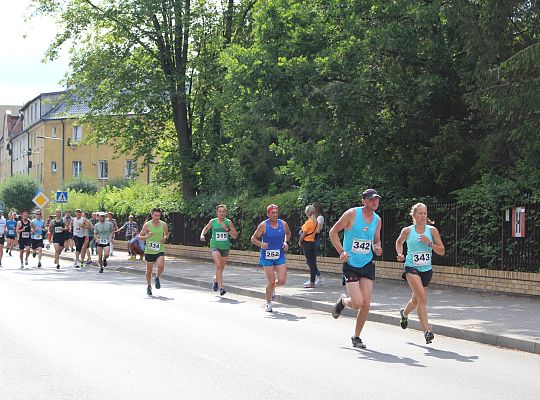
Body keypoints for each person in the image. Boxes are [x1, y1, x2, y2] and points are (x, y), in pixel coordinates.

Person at [329, 189, 383, 349]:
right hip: (351, 264)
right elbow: (333, 232)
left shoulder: (377, 219)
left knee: (366, 303)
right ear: (364, 201)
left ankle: (356, 336)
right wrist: (341, 251)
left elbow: (376, 240)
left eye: (377, 199)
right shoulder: (352, 214)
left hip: (366, 263)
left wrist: (377, 248)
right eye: (372, 199)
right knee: (357, 303)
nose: (375, 202)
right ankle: (343, 301)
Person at [395, 203, 445, 344]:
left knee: (416, 300)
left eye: (425, 213)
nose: (423, 216)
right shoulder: (407, 231)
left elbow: (442, 251)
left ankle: (404, 313)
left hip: (426, 269)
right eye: (420, 213)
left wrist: (429, 243)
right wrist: (400, 254)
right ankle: (427, 331)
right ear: (414, 215)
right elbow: (399, 242)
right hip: (411, 267)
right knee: (422, 298)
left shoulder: (432, 230)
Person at [251, 204, 292, 312]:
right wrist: (261, 244)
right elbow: (253, 238)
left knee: (282, 281)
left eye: (276, 212)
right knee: (272, 281)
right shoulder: (263, 225)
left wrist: (285, 242)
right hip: (266, 256)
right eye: (272, 213)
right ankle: (268, 303)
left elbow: (288, 234)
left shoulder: (283, 224)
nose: (275, 215)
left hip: (280, 255)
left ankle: (272, 288)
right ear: (268, 214)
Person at [199, 204, 239, 296]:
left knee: (221, 268)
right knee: (218, 266)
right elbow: (206, 228)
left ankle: (215, 279)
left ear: (226, 213)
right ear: (217, 213)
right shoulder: (213, 221)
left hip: (225, 247)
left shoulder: (228, 222)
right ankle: (221, 288)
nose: (222, 213)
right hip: (215, 245)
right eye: (220, 211)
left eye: (224, 211)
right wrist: (202, 235)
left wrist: (227, 230)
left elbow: (235, 236)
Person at [138, 208, 169, 296]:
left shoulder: (163, 224)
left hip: (160, 249)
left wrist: (165, 238)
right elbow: (140, 237)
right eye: (155, 215)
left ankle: (157, 278)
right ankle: (149, 286)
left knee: (161, 266)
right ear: (152, 215)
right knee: (149, 271)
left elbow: (167, 233)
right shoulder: (147, 225)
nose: (157, 217)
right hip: (149, 250)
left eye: (158, 216)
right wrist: (147, 236)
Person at [299, 204, 319, 288]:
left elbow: (304, 234)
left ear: (308, 212)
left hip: (307, 243)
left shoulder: (308, 222)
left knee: (310, 263)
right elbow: (317, 233)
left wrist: (300, 241)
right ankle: (313, 281)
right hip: (312, 243)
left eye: (305, 211)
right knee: (313, 263)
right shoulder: (316, 222)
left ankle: (312, 282)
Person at [313, 202, 325, 285]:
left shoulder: (320, 217)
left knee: (311, 261)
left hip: (314, 239)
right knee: (310, 261)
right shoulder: (314, 217)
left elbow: (317, 230)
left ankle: (318, 278)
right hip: (311, 239)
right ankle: (316, 277)